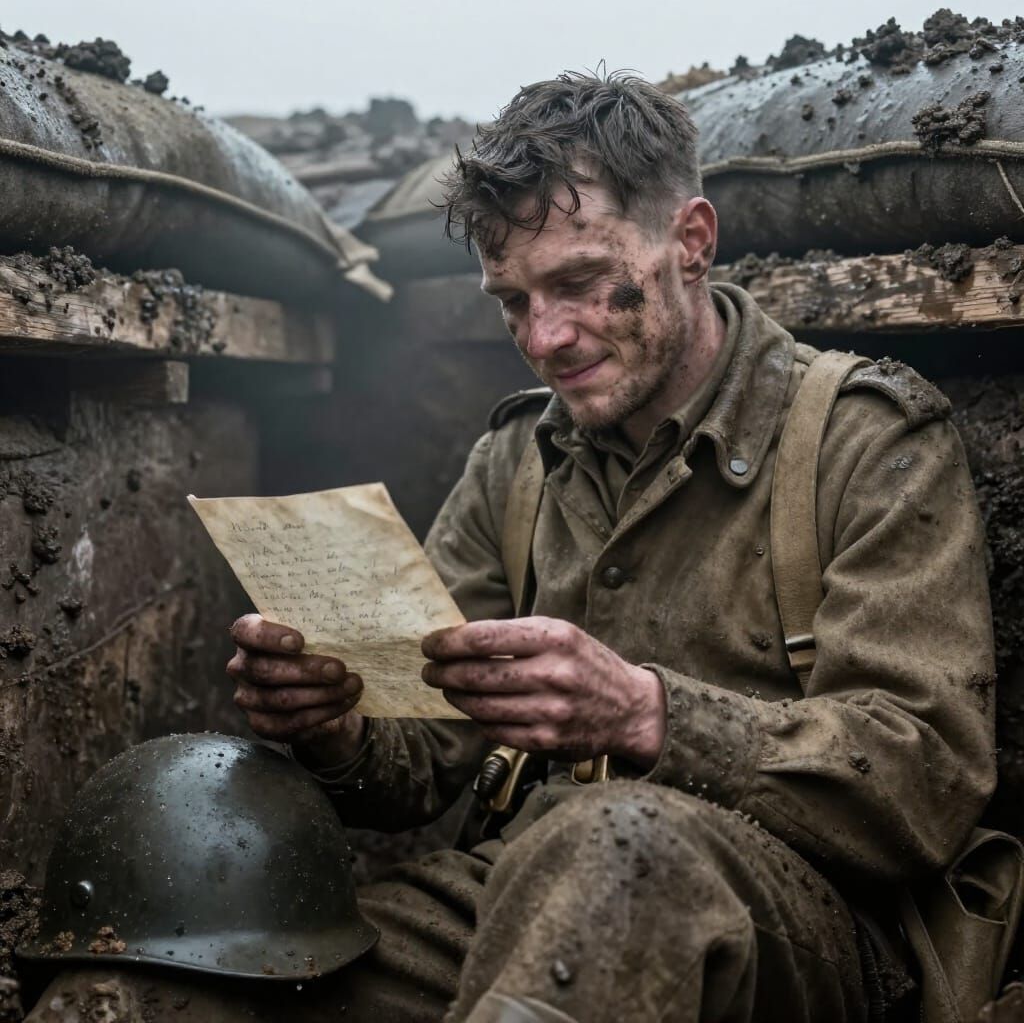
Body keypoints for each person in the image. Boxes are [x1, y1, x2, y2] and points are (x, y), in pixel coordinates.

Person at [228, 72, 995, 1022]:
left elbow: (925, 781)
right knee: (241, 958)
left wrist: (647, 713)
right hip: (530, 886)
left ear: (692, 242)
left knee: (616, 843)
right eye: (513, 301)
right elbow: (423, 757)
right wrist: (333, 723)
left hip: (797, 926)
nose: (544, 337)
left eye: (579, 284)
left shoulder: (867, 441)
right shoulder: (515, 460)